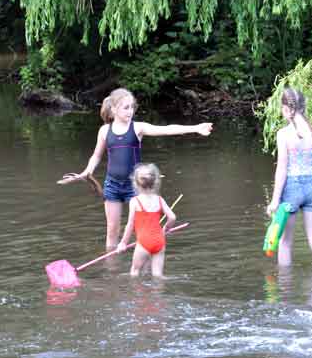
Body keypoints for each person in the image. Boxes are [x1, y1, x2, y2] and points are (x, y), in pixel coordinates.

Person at [72, 88, 212, 249]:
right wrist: (87, 171)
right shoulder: (104, 131)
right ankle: (111, 270)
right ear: (114, 109)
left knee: (141, 230)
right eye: (126, 107)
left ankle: (141, 267)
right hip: (112, 186)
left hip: (135, 187)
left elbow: (166, 129)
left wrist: (195, 128)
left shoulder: (138, 128)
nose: (130, 111)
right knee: (112, 231)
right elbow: (96, 156)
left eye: (132, 107)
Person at [266, 87, 312, 270]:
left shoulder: (284, 134)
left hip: (291, 190)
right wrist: (310, 170)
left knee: (285, 243)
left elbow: (281, 169)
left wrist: (273, 201)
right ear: (303, 107)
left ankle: (285, 293)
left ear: (287, 109)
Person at [116, 163, 176, 277]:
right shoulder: (159, 199)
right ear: (155, 182)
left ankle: (137, 295)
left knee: (134, 271)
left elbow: (130, 225)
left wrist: (123, 243)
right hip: (159, 241)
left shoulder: (135, 201)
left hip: (144, 242)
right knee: (158, 275)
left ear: (136, 183)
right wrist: (166, 228)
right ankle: (158, 293)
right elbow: (172, 217)